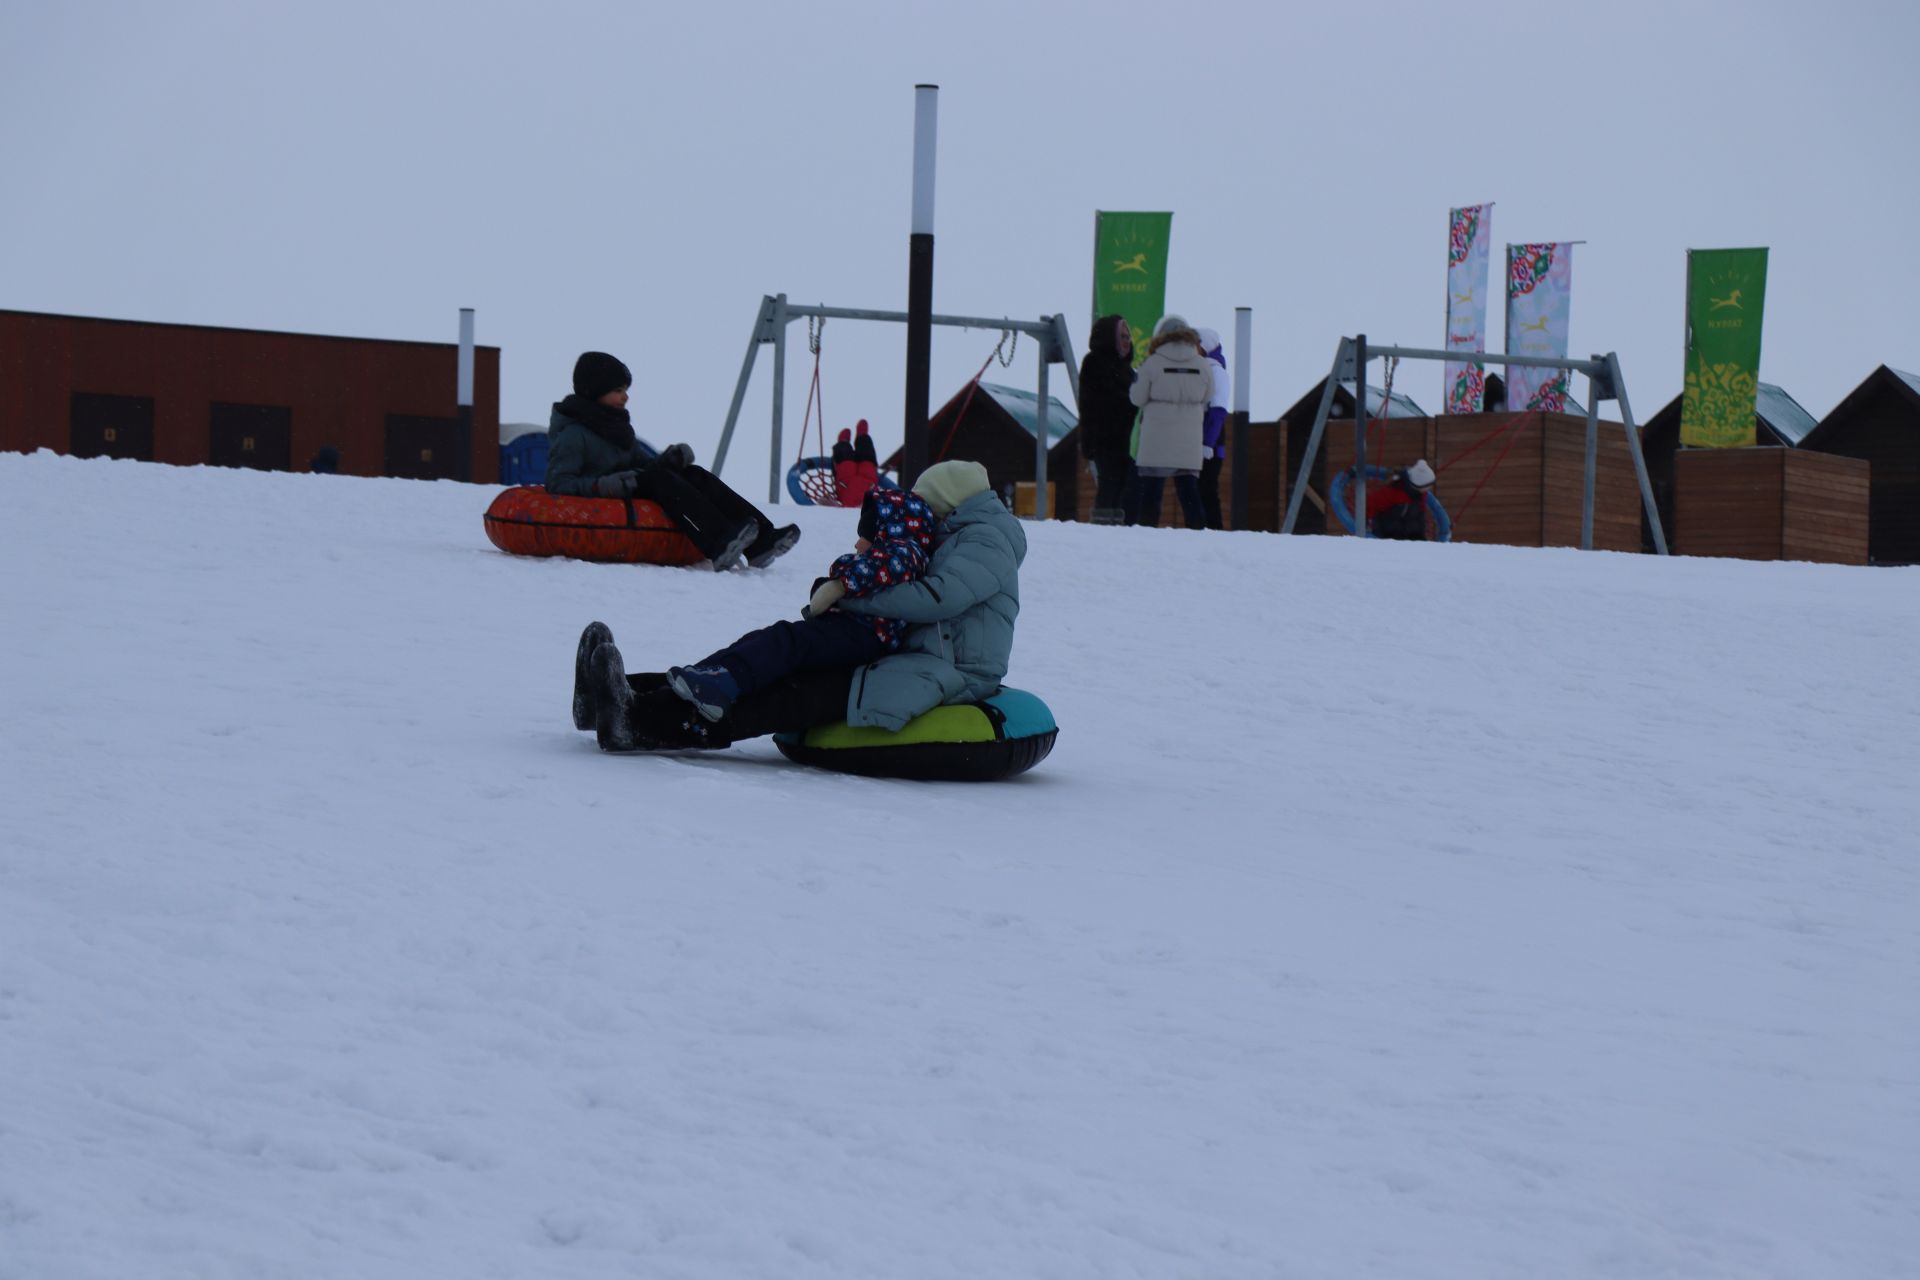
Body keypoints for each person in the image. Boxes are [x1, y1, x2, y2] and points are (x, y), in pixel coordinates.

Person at [573, 459, 1024, 753]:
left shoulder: (985, 538)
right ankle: (614, 696)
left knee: (786, 695)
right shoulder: (959, 534)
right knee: (771, 660)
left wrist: (852, 594)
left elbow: (938, 598)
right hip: (910, 657)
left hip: (946, 673)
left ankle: (641, 722)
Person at [657, 485, 939, 722]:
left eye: (864, 537)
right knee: (768, 638)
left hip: (864, 635)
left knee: (786, 642)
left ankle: (721, 685)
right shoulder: (899, 552)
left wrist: (843, 573)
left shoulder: (903, 552)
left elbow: (867, 572)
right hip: (853, 629)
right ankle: (707, 674)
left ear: (887, 532)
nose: (857, 545)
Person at [546, 351, 799, 571]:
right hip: (610, 493)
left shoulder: (614, 426)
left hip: (631, 484)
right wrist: (601, 485)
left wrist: (671, 459)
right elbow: (558, 482)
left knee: (694, 474)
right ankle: (719, 541)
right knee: (659, 479)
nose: (625, 397)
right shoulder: (573, 434)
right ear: (594, 392)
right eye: (618, 391)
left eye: (625, 390)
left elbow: (644, 463)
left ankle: (762, 540)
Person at [1128, 314, 1211, 530]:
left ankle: (1147, 533)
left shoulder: (1152, 364)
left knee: (1152, 494)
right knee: (1189, 493)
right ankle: (1197, 533)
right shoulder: (1202, 365)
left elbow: (1137, 397)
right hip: (1189, 439)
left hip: (1157, 438)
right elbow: (1208, 396)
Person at [1078, 314, 1136, 525]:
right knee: (1109, 483)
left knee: (1123, 485)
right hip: (1103, 439)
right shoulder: (1094, 363)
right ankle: (1102, 529)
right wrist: (1089, 442)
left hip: (1126, 440)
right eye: (1122, 336)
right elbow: (1089, 405)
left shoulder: (1128, 370)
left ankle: (1116, 529)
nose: (1127, 341)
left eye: (1128, 336)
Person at [1194, 327, 1231, 530]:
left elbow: (1218, 412)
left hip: (1210, 447)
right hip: (1199, 441)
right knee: (1199, 490)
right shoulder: (1200, 369)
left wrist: (1208, 443)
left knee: (1207, 489)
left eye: (1196, 344)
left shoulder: (1216, 372)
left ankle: (1213, 530)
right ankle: (1201, 528)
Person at [1365, 458, 1437, 540]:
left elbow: (1420, 516)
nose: (1428, 489)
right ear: (1416, 486)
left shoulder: (1421, 495)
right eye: (1426, 487)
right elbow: (1372, 505)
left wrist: (1421, 537)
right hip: (1388, 535)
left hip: (1410, 535)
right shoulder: (1394, 492)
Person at [831, 419, 880, 507]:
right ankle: (862, 436)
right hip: (868, 480)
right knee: (867, 455)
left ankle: (844, 442)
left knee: (844, 458)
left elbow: (826, 503)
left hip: (846, 481)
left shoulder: (846, 510)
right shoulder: (870, 510)